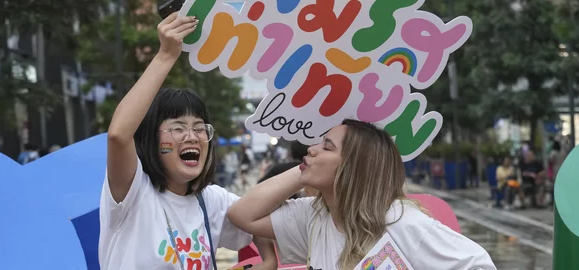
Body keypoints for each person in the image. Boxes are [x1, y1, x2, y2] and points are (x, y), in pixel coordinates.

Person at [100, 12, 276, 270]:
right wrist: (166, 56)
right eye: (178, 127)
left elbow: (258, 214)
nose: (192, 136)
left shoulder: (210, 200)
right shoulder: (134, 191)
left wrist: (269, 261)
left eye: (199, 127)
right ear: (153, 138)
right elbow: (118, 135)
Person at [228, 119, 495, 269]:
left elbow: (479, 265)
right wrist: (305, 168)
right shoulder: (314, 216)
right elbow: (243, 214)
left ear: (353, 166)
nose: (311, 148)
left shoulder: (399, 221)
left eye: (327, 147)